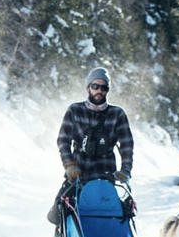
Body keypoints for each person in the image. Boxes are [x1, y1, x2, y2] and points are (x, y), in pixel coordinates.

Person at [47, 67, 134, 223]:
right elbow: (63, 140)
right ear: (88, 87)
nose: (99, 90)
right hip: (78, 174)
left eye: (104, 87)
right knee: (60, 212)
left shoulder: (117, 114)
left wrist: (125, 170)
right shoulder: (75, 110)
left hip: (106, 175)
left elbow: (127, 144)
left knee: (110, 215)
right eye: (95, 86)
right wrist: (69, 165)